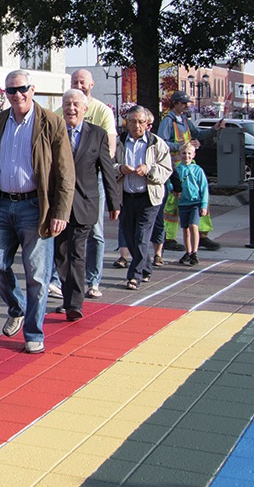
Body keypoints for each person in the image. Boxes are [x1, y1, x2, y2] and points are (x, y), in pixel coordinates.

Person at [0, 69, 74, 352]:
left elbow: (65, 172)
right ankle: (17, 307)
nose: (17, 95)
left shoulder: (52, 123)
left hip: (36, 206)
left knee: (37, 274)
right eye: (11, 90)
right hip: (3, 204)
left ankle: (33, 332)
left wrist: (61, 211)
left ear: (33, 90)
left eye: (22, 89)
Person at [53, 89, 121, 321]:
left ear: (85, 109)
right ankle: (66, 296)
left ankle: (75, 303)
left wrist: (114, 202)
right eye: (67, 104)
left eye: (75, 105)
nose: (71, 109)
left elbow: (107, 170)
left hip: (85, 203)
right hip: (58, 205)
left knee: (77, 254)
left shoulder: (97, 134)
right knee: (61, 254)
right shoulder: (54, 131)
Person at [66, 69, 117, 296]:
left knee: (94, 233)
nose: (79, 84)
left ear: (92, 85)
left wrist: (114, 201)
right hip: (65, 185)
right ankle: (62, 283)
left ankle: (93, 280)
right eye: (75, 81)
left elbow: (109, 154)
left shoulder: (103, 112)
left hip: (90, 181)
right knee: (63, 240)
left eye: (82, 82)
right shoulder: (62, 111)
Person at [116, 106, 173, 289]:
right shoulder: (119, 142)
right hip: (126, 196)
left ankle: (135, 275)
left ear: (148, 124)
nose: (136, 126)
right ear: (127, 123)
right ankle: (146, 267)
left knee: (141, 236)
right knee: (130, 237)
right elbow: (108, 165)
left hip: (148, 198)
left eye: (141, 122)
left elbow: (166, 170)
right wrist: (120, 169)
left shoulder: (157, 143)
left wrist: (148, 170)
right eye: (132, 121)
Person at [156, 90, 202, 261]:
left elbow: (198, 135)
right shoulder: (168, 121)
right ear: (174, 103)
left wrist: (213, 130)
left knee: (187, 203)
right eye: (183, 103)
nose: (186, 106)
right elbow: (162, 143)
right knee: (171, 206)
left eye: (187, 103)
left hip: (186, 168)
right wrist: (181, 146)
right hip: (173, 169)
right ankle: (168, 238)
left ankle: (197, 238)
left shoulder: (185, 121)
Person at [171, 137, 209, 266]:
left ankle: (194, 252)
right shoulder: (177, 169)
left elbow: (204, 188)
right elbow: (171, 183)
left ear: (193, 155)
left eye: (189, 153)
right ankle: (188, 251)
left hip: (195, 202)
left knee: (194, 226)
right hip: (183, 204)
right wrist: (173, 190)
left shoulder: (197, 170)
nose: (186, 156)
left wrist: (204, 205)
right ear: (179, 154)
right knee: (185, 229)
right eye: (184, 153)